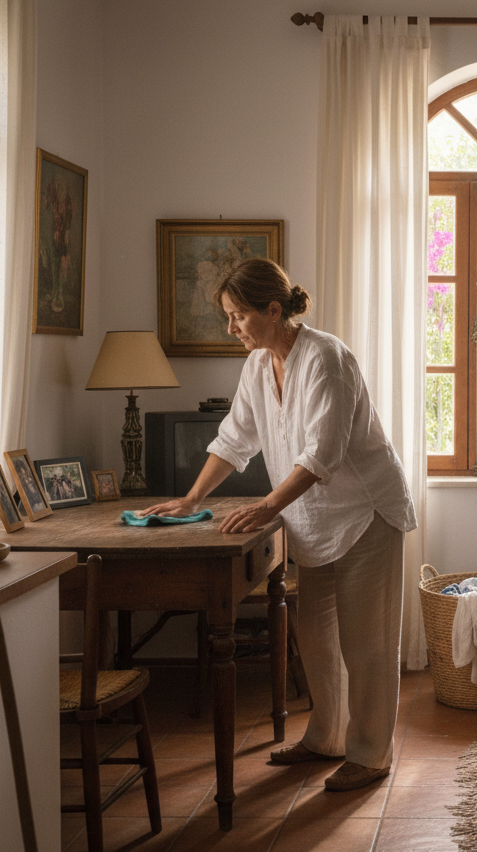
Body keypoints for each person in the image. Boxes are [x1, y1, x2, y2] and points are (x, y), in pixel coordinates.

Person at [137, 257, 416, 792]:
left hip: (366, 512)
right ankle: (327, 738)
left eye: (237, 315)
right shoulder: (258, 365)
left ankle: (370, 754)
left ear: (272, 310)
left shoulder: (327, 358)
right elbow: (234, 438)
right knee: (316, 640)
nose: (231, 328)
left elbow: (323, 453)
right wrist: (190, 498)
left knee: (367, 645)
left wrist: (267, 506)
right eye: (227, 316)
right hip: (314, 520)